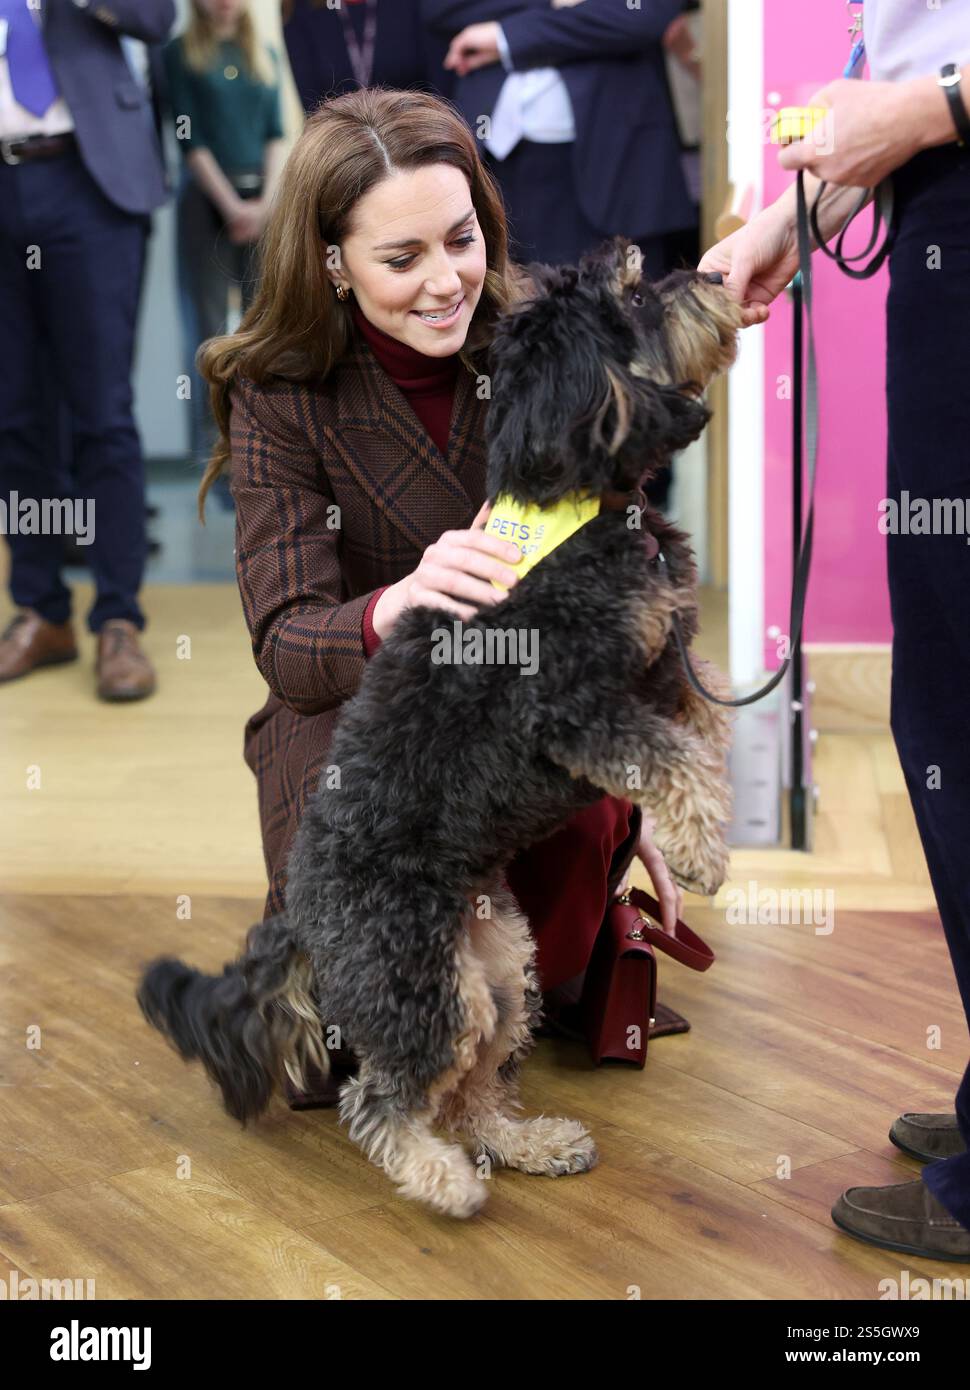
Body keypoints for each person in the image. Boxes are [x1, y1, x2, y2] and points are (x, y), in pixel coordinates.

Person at [197, 86, 683, 1106]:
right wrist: (396, 601)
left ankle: (586, 904)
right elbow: (286, 645)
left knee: (537, 979)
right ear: (333, 262)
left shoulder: (541, 329)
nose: (444, 281)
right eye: (399, 259)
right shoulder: (278, 392)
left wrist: (643, 797)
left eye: (460, 240)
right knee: (345, 1051)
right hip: (353, 713)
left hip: (519, 696)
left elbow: (630, 550)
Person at [698, 7, 970, 1260]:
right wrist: (771, 232)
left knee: (955, 713)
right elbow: (908, 59)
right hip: (934, 200)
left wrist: (925, 116)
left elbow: (919, 83)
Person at [0, 0, 174, 700]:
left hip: (86, 181)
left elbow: (157, 18)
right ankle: (40, 611)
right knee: (11, 416)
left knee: (103, 411)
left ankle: (118, 619)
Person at [421, 0, 694, 274]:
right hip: (494, 158)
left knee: (620, 306)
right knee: (505, 304)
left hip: (615, 159)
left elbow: (644, 14)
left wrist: (507, 35)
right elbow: (442, 9)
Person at [163, 0, 286, 489]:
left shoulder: (262, 52)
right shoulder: (180, 54)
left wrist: (266, 204)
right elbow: (189, 142)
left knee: (267, 332)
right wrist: (232, 206)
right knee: (210, 336)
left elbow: (277, 134)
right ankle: (215, 468)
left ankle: (266, 458)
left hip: (264, 203)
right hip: (208, 205)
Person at [281, 0, 454, 114]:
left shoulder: (420, 5)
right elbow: (313, 108)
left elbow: (443, 95)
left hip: (420, 138)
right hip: (347, 150)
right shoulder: (300, 10)